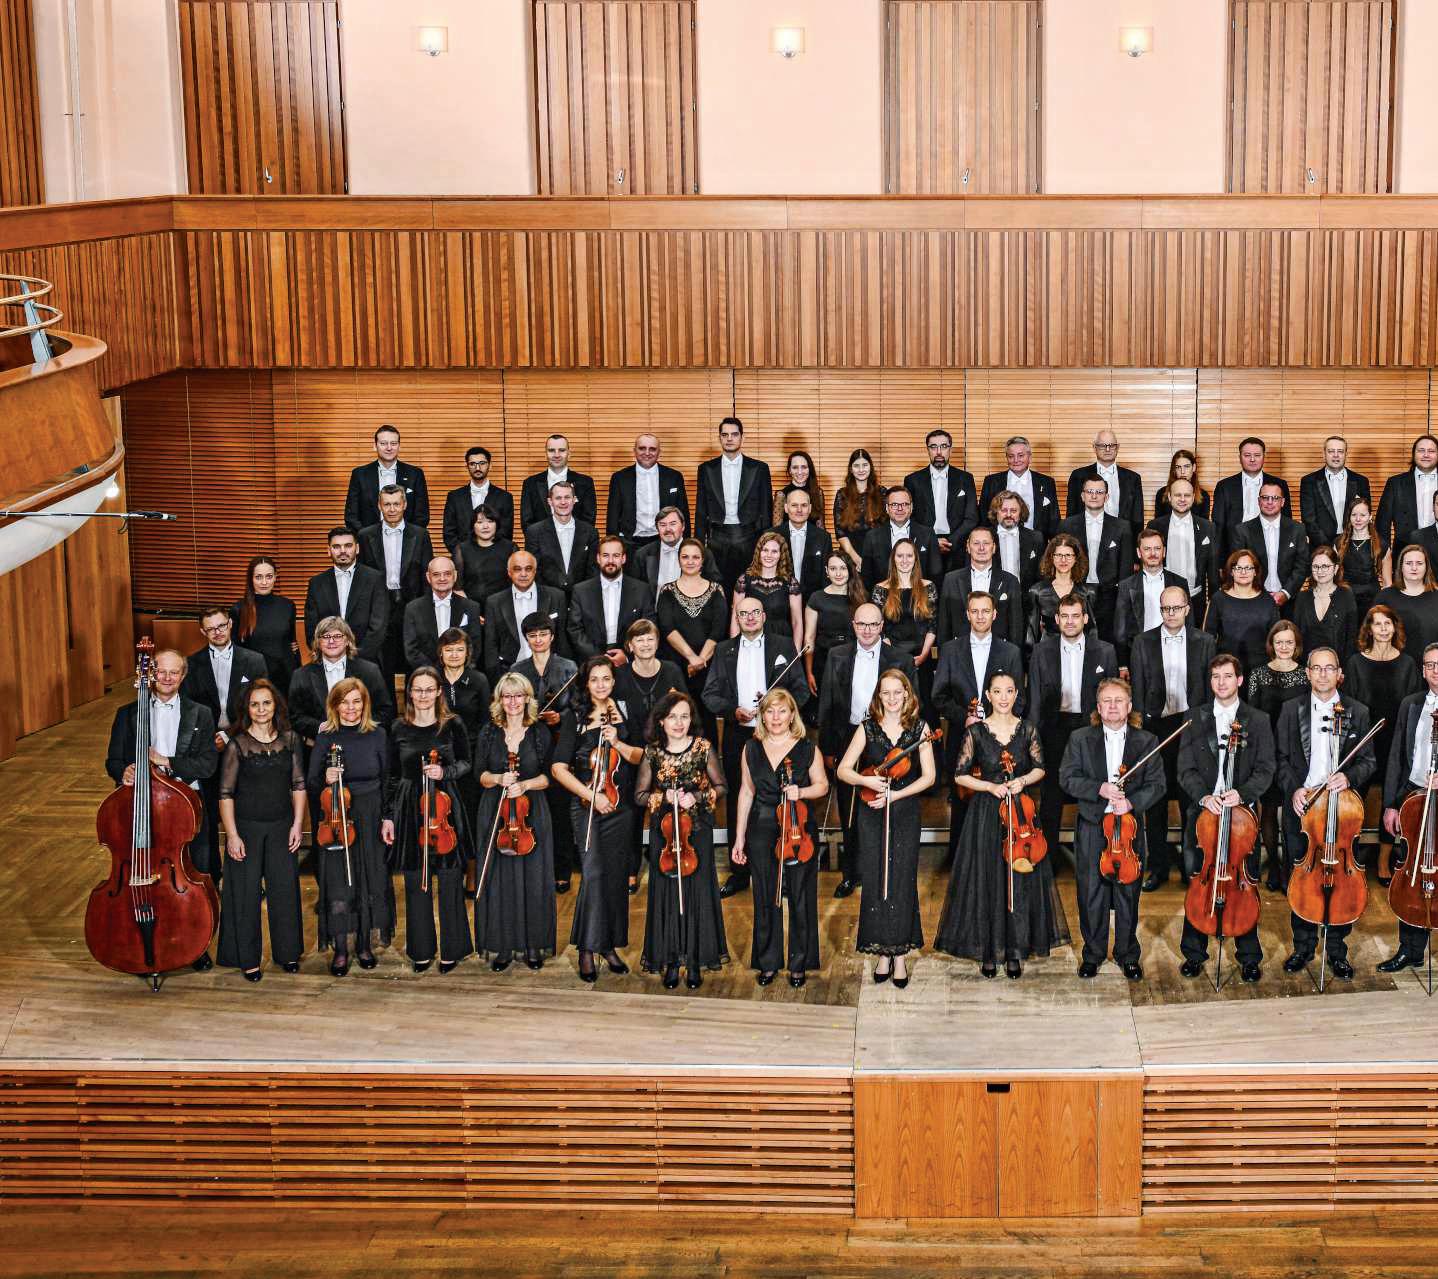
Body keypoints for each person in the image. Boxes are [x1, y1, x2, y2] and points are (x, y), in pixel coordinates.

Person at [935, 669, 1059, 978]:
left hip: (1020, 815)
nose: (1004, 697)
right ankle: (989, 950)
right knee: (988, 880)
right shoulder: (975, 732)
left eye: (1009, 691)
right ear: (988, 696)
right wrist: (990, 786)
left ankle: (1014, 949)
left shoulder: (1027, 729)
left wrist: (1022, 780)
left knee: (1019, 880)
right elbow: (960, 775)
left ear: (1016, 695)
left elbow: (1040, 768)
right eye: (998, 692)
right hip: (986, 814)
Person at [104, 648, 219, 973]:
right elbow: (112, 760)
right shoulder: (128, 714)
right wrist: (123, 771)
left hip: (186, 810)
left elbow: (207, 764)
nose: (167, 678)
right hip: (142, 807)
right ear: (151, 674)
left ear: (183, 676)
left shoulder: (200, 713)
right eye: (161, 671)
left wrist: (167, 761)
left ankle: (195, 944)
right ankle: (138, 939)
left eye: (174, 672)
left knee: (196, 872)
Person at [1276, 646, 1377, 979]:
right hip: (1303, 809)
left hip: (1342, 812)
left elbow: (1368, 761)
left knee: (1340, 878)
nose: (1322, 674)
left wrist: (1348, 777)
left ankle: (1336, 950)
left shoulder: (1358, 711)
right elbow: (1280, 759)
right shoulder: (1290, 709)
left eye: (1329, 668)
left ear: (1339, 674)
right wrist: (1294, 789)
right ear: (1307, 673)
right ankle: (1302, 947)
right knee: (1301, 877)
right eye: (1316, 668)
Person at [1175, 654, 1276, 984]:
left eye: (1228, 676)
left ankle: (1249, 956)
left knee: (1243, 881)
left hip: (1241, 818)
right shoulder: (1194, 717)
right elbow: (1185, 769)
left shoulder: (1257, 719)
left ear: (1240, 680)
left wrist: (1242, 794)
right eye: (1216, 676)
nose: (1221, 682)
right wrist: (1204, 797)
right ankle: (1194, 953)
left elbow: (1266, 769)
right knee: (1199, 880)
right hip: (1204, 814)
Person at [1058, 677, 1165, 980]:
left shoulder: (1147, 741)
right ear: (1098, 706)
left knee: (1128, 893)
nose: (1113, 706)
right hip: (1094, 825)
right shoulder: (1080, 738)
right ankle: (1092, 954)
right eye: (1107, 700)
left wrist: (1131, 802)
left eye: (1119, 700)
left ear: (1129, 706)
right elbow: (1067, 778)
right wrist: (1100, 788)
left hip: (1129, 828)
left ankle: (1127, 954)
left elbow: (1158, 784)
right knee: (1091, 892)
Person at [704, 596, 810, 898]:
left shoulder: (784, 645)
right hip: (739, 734)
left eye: (755, 613)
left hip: (778, 736)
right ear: (736, 618)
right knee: (740, 798)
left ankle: (782, 867)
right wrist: (732, 710)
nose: (749, 618)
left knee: (780, 800)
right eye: (743, 613)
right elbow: (710, 694)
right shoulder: (724, 650)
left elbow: (801, 690)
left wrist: (778, 706)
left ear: (764, 616)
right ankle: (740, 871)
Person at [837, 670, 935, 986]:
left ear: (907, 694)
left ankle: (900, 955)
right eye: (886, 693)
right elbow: (843, 770)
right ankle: (882, 951)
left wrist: (896, 795)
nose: (892, 699)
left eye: (897, 692)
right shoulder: (867, 728)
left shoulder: (920, 729)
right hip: (872, 812)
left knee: (902, 880)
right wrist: (866, 781)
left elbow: (929, 777)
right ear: (879, 696)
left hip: (904, 811)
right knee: (876, 878)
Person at [728, 687, 829, 988]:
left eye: (782, 711)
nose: (775, 717)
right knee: (764, 895)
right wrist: (739, 838)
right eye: (770, 711)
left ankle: (799, 962)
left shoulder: (807, 748)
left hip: (798, 827)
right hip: (761, 827)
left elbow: (822, 786)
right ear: (762, 715)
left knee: (800, 895)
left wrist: (801, 792)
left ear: (792, 715)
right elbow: (746, 792)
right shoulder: (751, 748)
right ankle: (768, 961)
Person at [551, 656, 643, 983]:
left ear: (614, 681)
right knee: (592, 874)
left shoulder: (625, 710)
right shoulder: (574, 717)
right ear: (586, 683)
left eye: (606, 679)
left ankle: (608, 945)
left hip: (621, 806)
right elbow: (558, 768)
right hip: (587, 805)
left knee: (616, 877)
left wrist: (617, 741)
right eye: (595, 679)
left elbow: (640, 756)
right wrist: (592, 796)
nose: (601, 685)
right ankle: (587, 949)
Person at [818, 604, 917, 899]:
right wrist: (828, 748)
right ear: (853, 625)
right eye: (861, 624)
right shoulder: (837, 655)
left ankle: (884, 871)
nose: (867, 630)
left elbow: (914, 703)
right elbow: (827, 704)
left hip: (887, 738)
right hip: (849, 735)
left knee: (884, 806)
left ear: (882, 625)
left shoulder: (900, 658)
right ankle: (851, 874)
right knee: (849, 810)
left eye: (873, 624)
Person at [635, 691, 729, 989]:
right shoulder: (652, 752)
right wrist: (664, 796)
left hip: (696, 831)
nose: (679, 723)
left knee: (698, 892)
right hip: (665, 835)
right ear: (661, 721)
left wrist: (697, 796)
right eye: (673, 717)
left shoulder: (703, 748)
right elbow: (639, 795)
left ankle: (696, 959)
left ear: (692, 720)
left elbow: (721, 786)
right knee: (666, 894)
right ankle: (673, 960)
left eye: (685, 716)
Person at [216, 679, 306, 981]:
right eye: (255, 704)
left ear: (275, 705)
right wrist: (232, 836)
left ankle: (288, 953)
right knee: (245, 894)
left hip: (282, 826)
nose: (261, 709)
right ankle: (248, 959)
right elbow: (225, 794)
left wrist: (297, 825)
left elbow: (298, 784)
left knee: (285, 890)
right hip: (246, 829)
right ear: (247, 709)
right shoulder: (237, 745)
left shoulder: (290, 740)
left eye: (266, 702)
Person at [385, 667, 473, 974]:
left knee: (450, 878)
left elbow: (467, 762)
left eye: (428, 689)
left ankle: (452, 948)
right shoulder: (398, 727)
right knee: (415, 879)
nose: (422, 695)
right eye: (417, 689)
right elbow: (392, 775)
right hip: (409, 807)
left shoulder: (452, 724)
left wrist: (445, 772)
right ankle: (421, 950)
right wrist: (388, 816)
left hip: (445, 805)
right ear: (409, 693)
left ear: (438, 692)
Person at [1129, 586, 1216, 892]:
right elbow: (1138, 689)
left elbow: (1209, 690)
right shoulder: (1143, 642)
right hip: (1156, 728)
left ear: (1187, 609)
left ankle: (1193, 866)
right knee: (1155, 800)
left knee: (1192, 797)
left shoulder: (1205, 642)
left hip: (1192, 727)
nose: (1171, 614)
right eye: (1166, 608)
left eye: (1176, 608)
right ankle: (1158, 866)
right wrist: (1140, 733)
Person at [307, 678, 393, 976]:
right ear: (334, 705)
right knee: (339, 884)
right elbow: (311, 782)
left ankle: (364, 945)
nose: (351, 708)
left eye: (357, 701)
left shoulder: (377, 734)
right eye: (344, 702)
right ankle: (341, 949)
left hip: (370, 815)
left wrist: (388, 817)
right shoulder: (325, 737)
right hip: (337, 816)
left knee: (368, 880)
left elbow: (388, 779)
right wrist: (326, 777)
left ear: (365, 704)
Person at [472, 673, 557, 971]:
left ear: (527, 698)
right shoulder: (488, 732)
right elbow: (479, 774)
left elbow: (549, 776)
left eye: (518, 695)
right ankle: (503, 945)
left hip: (530, 814)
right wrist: (498, 778)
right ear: (499, 700)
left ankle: (533, 945)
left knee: (534, 878)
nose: (513, 702)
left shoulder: (539, 732)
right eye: (507, 696)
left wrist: (525, 785)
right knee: (499, 880)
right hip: (495, 814)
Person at [1028, 594, 1118, 860]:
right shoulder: (1041, 652)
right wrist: (1033, 738)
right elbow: (1034, 698)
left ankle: (1095, 857)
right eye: (1065, 616)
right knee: (1051, 797)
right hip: (1054, 729)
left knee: (1093, 795)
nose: (1070, 621)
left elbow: (1113, 697)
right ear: (1056, 619)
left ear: (1085, 619)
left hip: (1092, 729)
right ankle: (1049, 859)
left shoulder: (1105, 651)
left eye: (1075, 616)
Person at [182, 607, 269, 876]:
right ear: (202, 631)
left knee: (244, 812)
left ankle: (247, 877)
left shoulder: (253, 660)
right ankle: (212, 878)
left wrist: (228, 734)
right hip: (206, 747)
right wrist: (210, 738)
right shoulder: (191, 663)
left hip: (243, 742)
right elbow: (188, 709)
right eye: (210, 629)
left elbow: (261, 705)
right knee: (208, 813)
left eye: (221, 626)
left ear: (230, 624)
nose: (217, 632)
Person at [1344, 604, 1420, 883]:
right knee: (1354, 798)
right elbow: (1349, 704)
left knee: (1392, 800)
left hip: (1395, 742)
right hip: (1364, 742)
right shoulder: (1356, 663)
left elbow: (1412, 707)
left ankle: (1384, 860)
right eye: (1377, 624)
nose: (1383, 629)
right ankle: (1350, 853)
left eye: (1388, 623)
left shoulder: (1407, 663)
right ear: (1369, 629)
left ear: (1394, 627)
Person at [1380, 642, 1438, 972]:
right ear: (1423, 670)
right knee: (1412, 871)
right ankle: (1410, 949)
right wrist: (1391, 804)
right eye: (1429, 665)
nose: (1435, 671)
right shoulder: (1411, 704)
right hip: (1413, 797)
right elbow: (1396, 758)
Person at [511, 612, 578, 894]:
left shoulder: (568, 667)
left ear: (552, 636)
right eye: (532, 635)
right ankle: (535, 867)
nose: (538, 640)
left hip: (559, 743)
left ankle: (561, 869)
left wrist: (560, 717)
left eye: (543, 634)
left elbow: (577, 706)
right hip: (528, 743)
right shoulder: (517, 670)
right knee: (532, 808)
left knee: (559, 809)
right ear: (526, 639)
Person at [1246, 621, 1309, 891]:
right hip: (1267, 750)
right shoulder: (1258, 675)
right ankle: (1273, 863)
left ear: (1297, 645)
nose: (1284, 647)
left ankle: (1291, 866)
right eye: (1279, 642)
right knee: (1269, 810)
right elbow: (1251, 716)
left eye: (1289, 642)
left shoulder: (1306, 675)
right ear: (1271, 644)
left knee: (1293, 811)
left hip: (1295, 752)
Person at [358, 484, 437, 682]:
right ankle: (387, 702)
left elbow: (427, 575)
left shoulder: (421, 534)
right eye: (387, 504)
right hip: (379, 604)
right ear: (379, 506)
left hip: (412, 602)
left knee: (414, 657)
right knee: (382, 660)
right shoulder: (365, 535)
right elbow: (362, 577)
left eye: (396, 504)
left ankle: (414, 700)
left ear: (404, 504)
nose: (392, 509)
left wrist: (427, 607)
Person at [287, 618, 395, 758]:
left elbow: (385, 712)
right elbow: (295, 717)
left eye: (337, 636)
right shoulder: (301, 675)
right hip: (317, 751)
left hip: (362, 749)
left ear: (348, 640)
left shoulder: (370, 671)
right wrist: (321, 727)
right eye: (326, 636)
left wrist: (357, 727)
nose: (331, 641)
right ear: (318, 643)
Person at [658, 538, 728, 733]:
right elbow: (667, 628)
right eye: (685, 557)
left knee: (706, 719)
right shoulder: (667, 591)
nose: (690, 561)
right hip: (677, 664)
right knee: (677, 715)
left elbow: (718, 630)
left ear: (702, 561)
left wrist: (700, 660)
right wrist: (691, 658)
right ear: (678, 560)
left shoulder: (716, 590)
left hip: (708, 666)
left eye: (695, 557)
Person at [695, 417, 772, 591]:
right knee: (717, 588)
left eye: (734, 434)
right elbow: (701, 510)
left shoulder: (759, 468)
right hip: (717, 537)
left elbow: (766, 509)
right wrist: (698, 546)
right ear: (719, 438)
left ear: (742, 438)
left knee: (749, 588)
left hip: (750, 536)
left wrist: (766, 543)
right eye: (725, 435)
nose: (729, 438)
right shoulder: (706, 469)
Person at [1058, 475, 1137, 643]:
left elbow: (1126, 568)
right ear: (1082, 496)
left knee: (1106, 643)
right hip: (1075, 592)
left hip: (1109, 596)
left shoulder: (1122, 527)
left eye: (1099, 492)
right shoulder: (1066, 525)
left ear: (1106, 497)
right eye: (1090, 491)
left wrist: (1122, 600)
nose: (1094, 496)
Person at [870, 539, 938, 713]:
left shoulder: (928, 587)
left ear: (916, 559)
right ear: (893, 559)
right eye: (900, 556)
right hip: (891, 657)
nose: (905, 560)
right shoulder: (880, 589)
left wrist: (924, 654)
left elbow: (932, 625)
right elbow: (878, 627)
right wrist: (893, 656)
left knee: (924, 707)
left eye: (909, 556)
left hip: (922, 656)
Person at [304, 527, 388, 664]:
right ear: (328, 550)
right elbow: (311, 628)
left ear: (357, 548)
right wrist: (331, 655)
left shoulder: (375, 579)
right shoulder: (316, 583)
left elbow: (378, 627)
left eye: (348, 545)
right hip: (328, 662)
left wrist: (357, 657)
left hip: (366, 661)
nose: (342, 551)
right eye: (336, 547)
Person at [482, 550, 569, 682]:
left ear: (535, 571)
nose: (523, 574)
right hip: (509, 674)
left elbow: (563, 639)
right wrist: (497, 680)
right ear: (509, 572)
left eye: (528, 569)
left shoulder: (556, 596)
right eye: (517, 569)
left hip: (551, 673)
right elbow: (490, 646)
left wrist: (562, 674)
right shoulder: (494, 602)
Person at [567, 536, 655, 663]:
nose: (610, 561)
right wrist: (599, 658)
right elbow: (575, 630)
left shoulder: (642, 590)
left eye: (616, 555)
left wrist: (627, 656)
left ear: (623, 558)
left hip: (631, 661)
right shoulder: (580, 591)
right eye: (605, 555)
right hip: (592, 661)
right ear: (598, 558)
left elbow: (648, 628)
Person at [904, 428, 978, 573]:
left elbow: (971, 517)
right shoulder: (912, 480)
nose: (939, 452)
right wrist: (931, 541)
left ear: (950, 449)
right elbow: (909, 517)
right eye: (933, 447)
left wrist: (951, 541)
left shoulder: (966, 478)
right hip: (924, 546)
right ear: (927, 449)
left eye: (944, 446)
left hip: (957, 546)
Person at [936, 524, 1024, 646]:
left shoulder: (1010, 581)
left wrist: (1013, 656)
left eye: (986, 543)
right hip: (960, 652)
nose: (981, 548)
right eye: (976, 543)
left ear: (994, 548)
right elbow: (943, 627)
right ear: (968, 547)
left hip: (999, 652)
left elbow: (1016, 629)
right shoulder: (951, 580)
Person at [1113, 530, 1187, 673]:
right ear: (1139, 553)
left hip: (1175, 652)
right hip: (1140, 653)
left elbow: (1189, 622)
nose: (1153, 553)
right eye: (1147, 549)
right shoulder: (1126, 585)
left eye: (1157, 548)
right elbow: (1120, 630)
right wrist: (1122, 664)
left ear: (1164, 551)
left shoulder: (1180, 582)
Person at [607, 433, 690, 557]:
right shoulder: (619, 478)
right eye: (642, 448)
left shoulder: (674, 477)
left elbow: (683, 513)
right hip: (629, 543)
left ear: (659, 452)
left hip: (665, 542)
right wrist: (612, 547)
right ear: (634, 450)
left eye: (652, 449)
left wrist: (686, 545)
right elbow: (612, 516)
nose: (647, 453)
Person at [1211, 437, 1292, 561]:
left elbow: (1287, 521)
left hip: (1271, 547)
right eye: (1247, 455)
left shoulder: (1280, 484)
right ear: (1239, 457)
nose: (1252, 459)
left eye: (1257, 455)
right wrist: (1219, 561)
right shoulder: (1224, 486)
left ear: (1264, 457)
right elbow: (1218, 526)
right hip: (1235, 548)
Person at [1149, 478, 1219, 622]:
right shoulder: (1155, 525)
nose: (1182, 499)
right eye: (1177, 495)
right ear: (1169, 497)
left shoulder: (1208, 527)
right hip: (1162, 599)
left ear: (1193, 498)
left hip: (1196, 600)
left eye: (1187, 495)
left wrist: (1214, 604)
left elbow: (1212, 571)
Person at [1235, 481, 1311, 614]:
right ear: (1259, 501)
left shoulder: (1297, 529)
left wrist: (1286, 593)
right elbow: (1239, 568)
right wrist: (1257, 593)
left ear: (1282, 502)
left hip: (1289, 601)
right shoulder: (1243, 530)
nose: (1270, 502)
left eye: (1275, 498)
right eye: (1265, 497)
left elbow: (1302, 565)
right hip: (1253, 600)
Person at [1203, 549, 1280, 678]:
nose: (1243, 572)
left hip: (1261, 670)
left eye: (1248, 568)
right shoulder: (1218, 599)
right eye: (1238, 568)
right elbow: (1208, 637)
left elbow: (1276, 638)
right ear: (1231, 572)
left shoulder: (1268, 601)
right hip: (1227, 671)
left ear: (1255, 572)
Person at [804, 551, 867, 702]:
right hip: (823, 661)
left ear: (850, 570)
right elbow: (809, 638)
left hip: (854, 660)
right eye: (833, 569)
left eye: (843, 568)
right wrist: (809, 672)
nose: (838, 573)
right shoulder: (816, 598)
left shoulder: (862, 597)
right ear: (826, 571)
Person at [403, 556, 483, 673]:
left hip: (461, 675)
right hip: (425, 676)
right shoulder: (413, 608)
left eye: (447, 574)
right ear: (428, 577)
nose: (442, 578)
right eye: (436, 574)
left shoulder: (471, 607)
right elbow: (411, 650)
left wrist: (456, 672)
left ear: (455, 576)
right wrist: (434, 673)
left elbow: (474, 646)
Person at [344, 424, 429, 533]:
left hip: (407, 539)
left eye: (393, 443)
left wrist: (408, 538)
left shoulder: (415, 474)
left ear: (399, 446)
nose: (389, 448)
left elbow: (422, 516)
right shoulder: (359, 474)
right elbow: (351, 516)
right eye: (383, 443)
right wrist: (367, 537)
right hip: (368, 540)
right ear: (375, 446)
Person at [232, 555, 300, 689]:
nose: (264, 582)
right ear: (251, 579)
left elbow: (292, 645)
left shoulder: (288, 605)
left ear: (275, 577)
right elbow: (236, 652)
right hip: (254, 679)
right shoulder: (239, 609)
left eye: (269, 576)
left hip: (285, 677)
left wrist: (298, 677)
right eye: (258, 577)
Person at [524, 479, 598, 596]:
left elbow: (592, 570)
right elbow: (534, 570)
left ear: (574, 500)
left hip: (581, 598)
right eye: (558, 498)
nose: (563, 502)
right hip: (547, 598)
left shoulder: (590, 532)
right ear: (550, 501)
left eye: (567, 497)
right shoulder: (534, 532)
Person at [978, 435, 1060, 541]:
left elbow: (1054, 521)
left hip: (1036, 544)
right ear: (1006, 457)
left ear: (1029, 456)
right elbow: (984, 518)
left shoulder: (1047, 482)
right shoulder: (991, 482)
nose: (1016, 460)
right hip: (999, 543)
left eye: (1020, 455)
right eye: (1011, 456)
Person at [614, 617, 687, 734]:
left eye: (650, 639)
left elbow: (686, 708)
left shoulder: (672, 670)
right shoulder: (620, 675)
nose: (646, 644)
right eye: (640, 640)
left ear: (657, 644)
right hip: (630, 741)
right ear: (630, 646)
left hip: (668, 739)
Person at [859, 485, 942, 589]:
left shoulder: (927, 534)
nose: (900, 508)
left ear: (911, 507)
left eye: (905, 504)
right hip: (883, 596)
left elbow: (936, 574)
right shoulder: (872, 537)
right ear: (887, 508)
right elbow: (867, 577)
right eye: (894, 504)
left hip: (920, 595)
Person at [1066, 429, 1144, 540]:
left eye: (1111, 445)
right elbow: (1071, 515)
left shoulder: (1133, 479)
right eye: (1102, 445)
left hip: (1122, 540)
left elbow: (1138, 519)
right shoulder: (1078, 476)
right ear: (1094, 447)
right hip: (1085, 539)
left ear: (1118, 447)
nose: (1107, 449)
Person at [633, 506, 720, 601]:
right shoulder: (642, 555)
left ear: (683, 526)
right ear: (657, 528)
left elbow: (714, 589)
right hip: (654, 609)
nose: (668, 529)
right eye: (662, 525)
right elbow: (636, 591)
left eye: (673, 524)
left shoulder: (703, 554)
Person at [1299, 435, 1371, 550]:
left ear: (1346, 454)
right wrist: (1329, 547)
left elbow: (1364, 516)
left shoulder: (1361, 481)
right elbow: (1309, 520)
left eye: (1340, 451)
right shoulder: (1309, 481)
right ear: (1324, 454)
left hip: (1353, 545)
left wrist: (1349, 544)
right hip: (1320, 547)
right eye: (1331, 451)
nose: (1336, 455)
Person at [1290, 545, 1358, 664]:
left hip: (1338, 667)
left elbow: (1351, 637)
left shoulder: (1346, 595)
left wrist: (1344, 669)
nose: (1320, 571)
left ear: (1335, 568)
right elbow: (1297, 637)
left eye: (1325, 566)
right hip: (1308, 667)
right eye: (1315, 566)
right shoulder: (1302, 597)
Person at [1025, 534, 1095, 649]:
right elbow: (1031, 632)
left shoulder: (1087, 592)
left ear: (1076, 558)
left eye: (1068, 555)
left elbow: (1092, 630)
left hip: (1079, 651)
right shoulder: (1037, 591)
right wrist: (1032, 657)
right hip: (1047, 651)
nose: (1063, 560)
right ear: (1051, 557)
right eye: (1058, 555)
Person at [1375, 433, 1438, 559]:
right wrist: (1384, 557)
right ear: (1413, 454)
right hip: (1404, 553)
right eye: (1421, 450)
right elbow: (1382, 524)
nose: (1426, 455)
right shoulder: (1395, 483)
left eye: (1431, 451)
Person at [442, 445, 513, 551]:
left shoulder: (505, 497)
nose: (477, 468)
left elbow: (506, 532)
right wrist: (463, 553)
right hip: (463, 556)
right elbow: (449, 533)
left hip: (495, 556)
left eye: (482, 463)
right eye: (472, 464)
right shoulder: (454, 497)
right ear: (467, 467)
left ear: (490, 465)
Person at [519, 433, 597, 530]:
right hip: (540, 539)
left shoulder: (586, 483)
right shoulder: (530, 484)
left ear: (569, 454)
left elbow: (588, 522)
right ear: (545, 454)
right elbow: (527, 523)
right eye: (551, 450)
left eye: (562, 450)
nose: (556, 455)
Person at [1375, 544, 1438, 660]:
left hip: (1432, 667)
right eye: (1409, 563)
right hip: (1394, 666)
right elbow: (1372, 636)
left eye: (1419, 563)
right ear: (1401, 566)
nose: (1414, 568)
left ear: (1427, 567)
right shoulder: (1384, 597)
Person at [436, 627, 492, 754]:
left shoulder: (479, 680)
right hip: (438, 747)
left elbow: (485, 722)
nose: (454, 655)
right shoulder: (432, 678)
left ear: (467, 653)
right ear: (441, 652)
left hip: (472, 748)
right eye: (449, 650)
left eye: (460, 650)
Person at [454, 504, 518, 615]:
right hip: (471, 612)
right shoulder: (462, 549)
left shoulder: (510, 548)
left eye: (490, 521)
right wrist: (472, 612)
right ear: (473, 525)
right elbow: (457, 588)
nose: (485, 526)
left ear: (497, 524)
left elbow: (518, 584)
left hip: (505, 611)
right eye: (480, 522)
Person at [989, 490, 1047, 604]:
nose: (1009, 515)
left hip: (1025, 602)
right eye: (1004, 510)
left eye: (1013, 510)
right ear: (996, 512)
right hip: (991, 600)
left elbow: (1042, 575)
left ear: (1021, 513)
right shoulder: (984, 537)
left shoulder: (1036, 538)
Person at [775, 486, 833, 598]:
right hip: (779, 600)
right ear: (786, 508)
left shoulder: (823, 538)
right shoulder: (772, 535)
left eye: (804, 505)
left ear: (810, 508)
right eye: (794, 505)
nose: (799, 510)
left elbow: (826, 577)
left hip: (812, 600)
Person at [1336, 498, 1388, 620]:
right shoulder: (1338, 543)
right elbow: (1332, 578)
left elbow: (1387, 583)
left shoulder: (1381, 544)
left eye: (1363, 515)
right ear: (1349, 517)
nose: (1358, 519)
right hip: (1345, 601)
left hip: (1372, 602)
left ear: (1370, 517)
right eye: (1354, 515)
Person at [833, 448, 884, 570]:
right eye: (856, 466)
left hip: (877, 556)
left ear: (870, 467)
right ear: (851, 469)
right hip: (850, 558)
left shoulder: (882, 493)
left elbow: (886, 529)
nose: (861, 470)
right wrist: (857, 560)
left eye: (865, 465)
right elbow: (840, 532)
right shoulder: (842, 495)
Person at [1153, 449, 1211, 521]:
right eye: (1178, 467)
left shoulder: (1204, 496)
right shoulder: (1162, 493)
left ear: (1194, 468)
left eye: (1186, 466)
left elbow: (1204, 525)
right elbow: (1157, 525)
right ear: (1174, 469)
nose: (1182, 472)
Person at [772, 450, 825, 527]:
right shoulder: (781, 495)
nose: (800, 472)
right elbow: (776, 529)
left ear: (809, 469)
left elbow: (821, 527)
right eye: (795, 467)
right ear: (790, 470)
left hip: (813, 535)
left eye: (804, 467)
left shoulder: (818, 493)